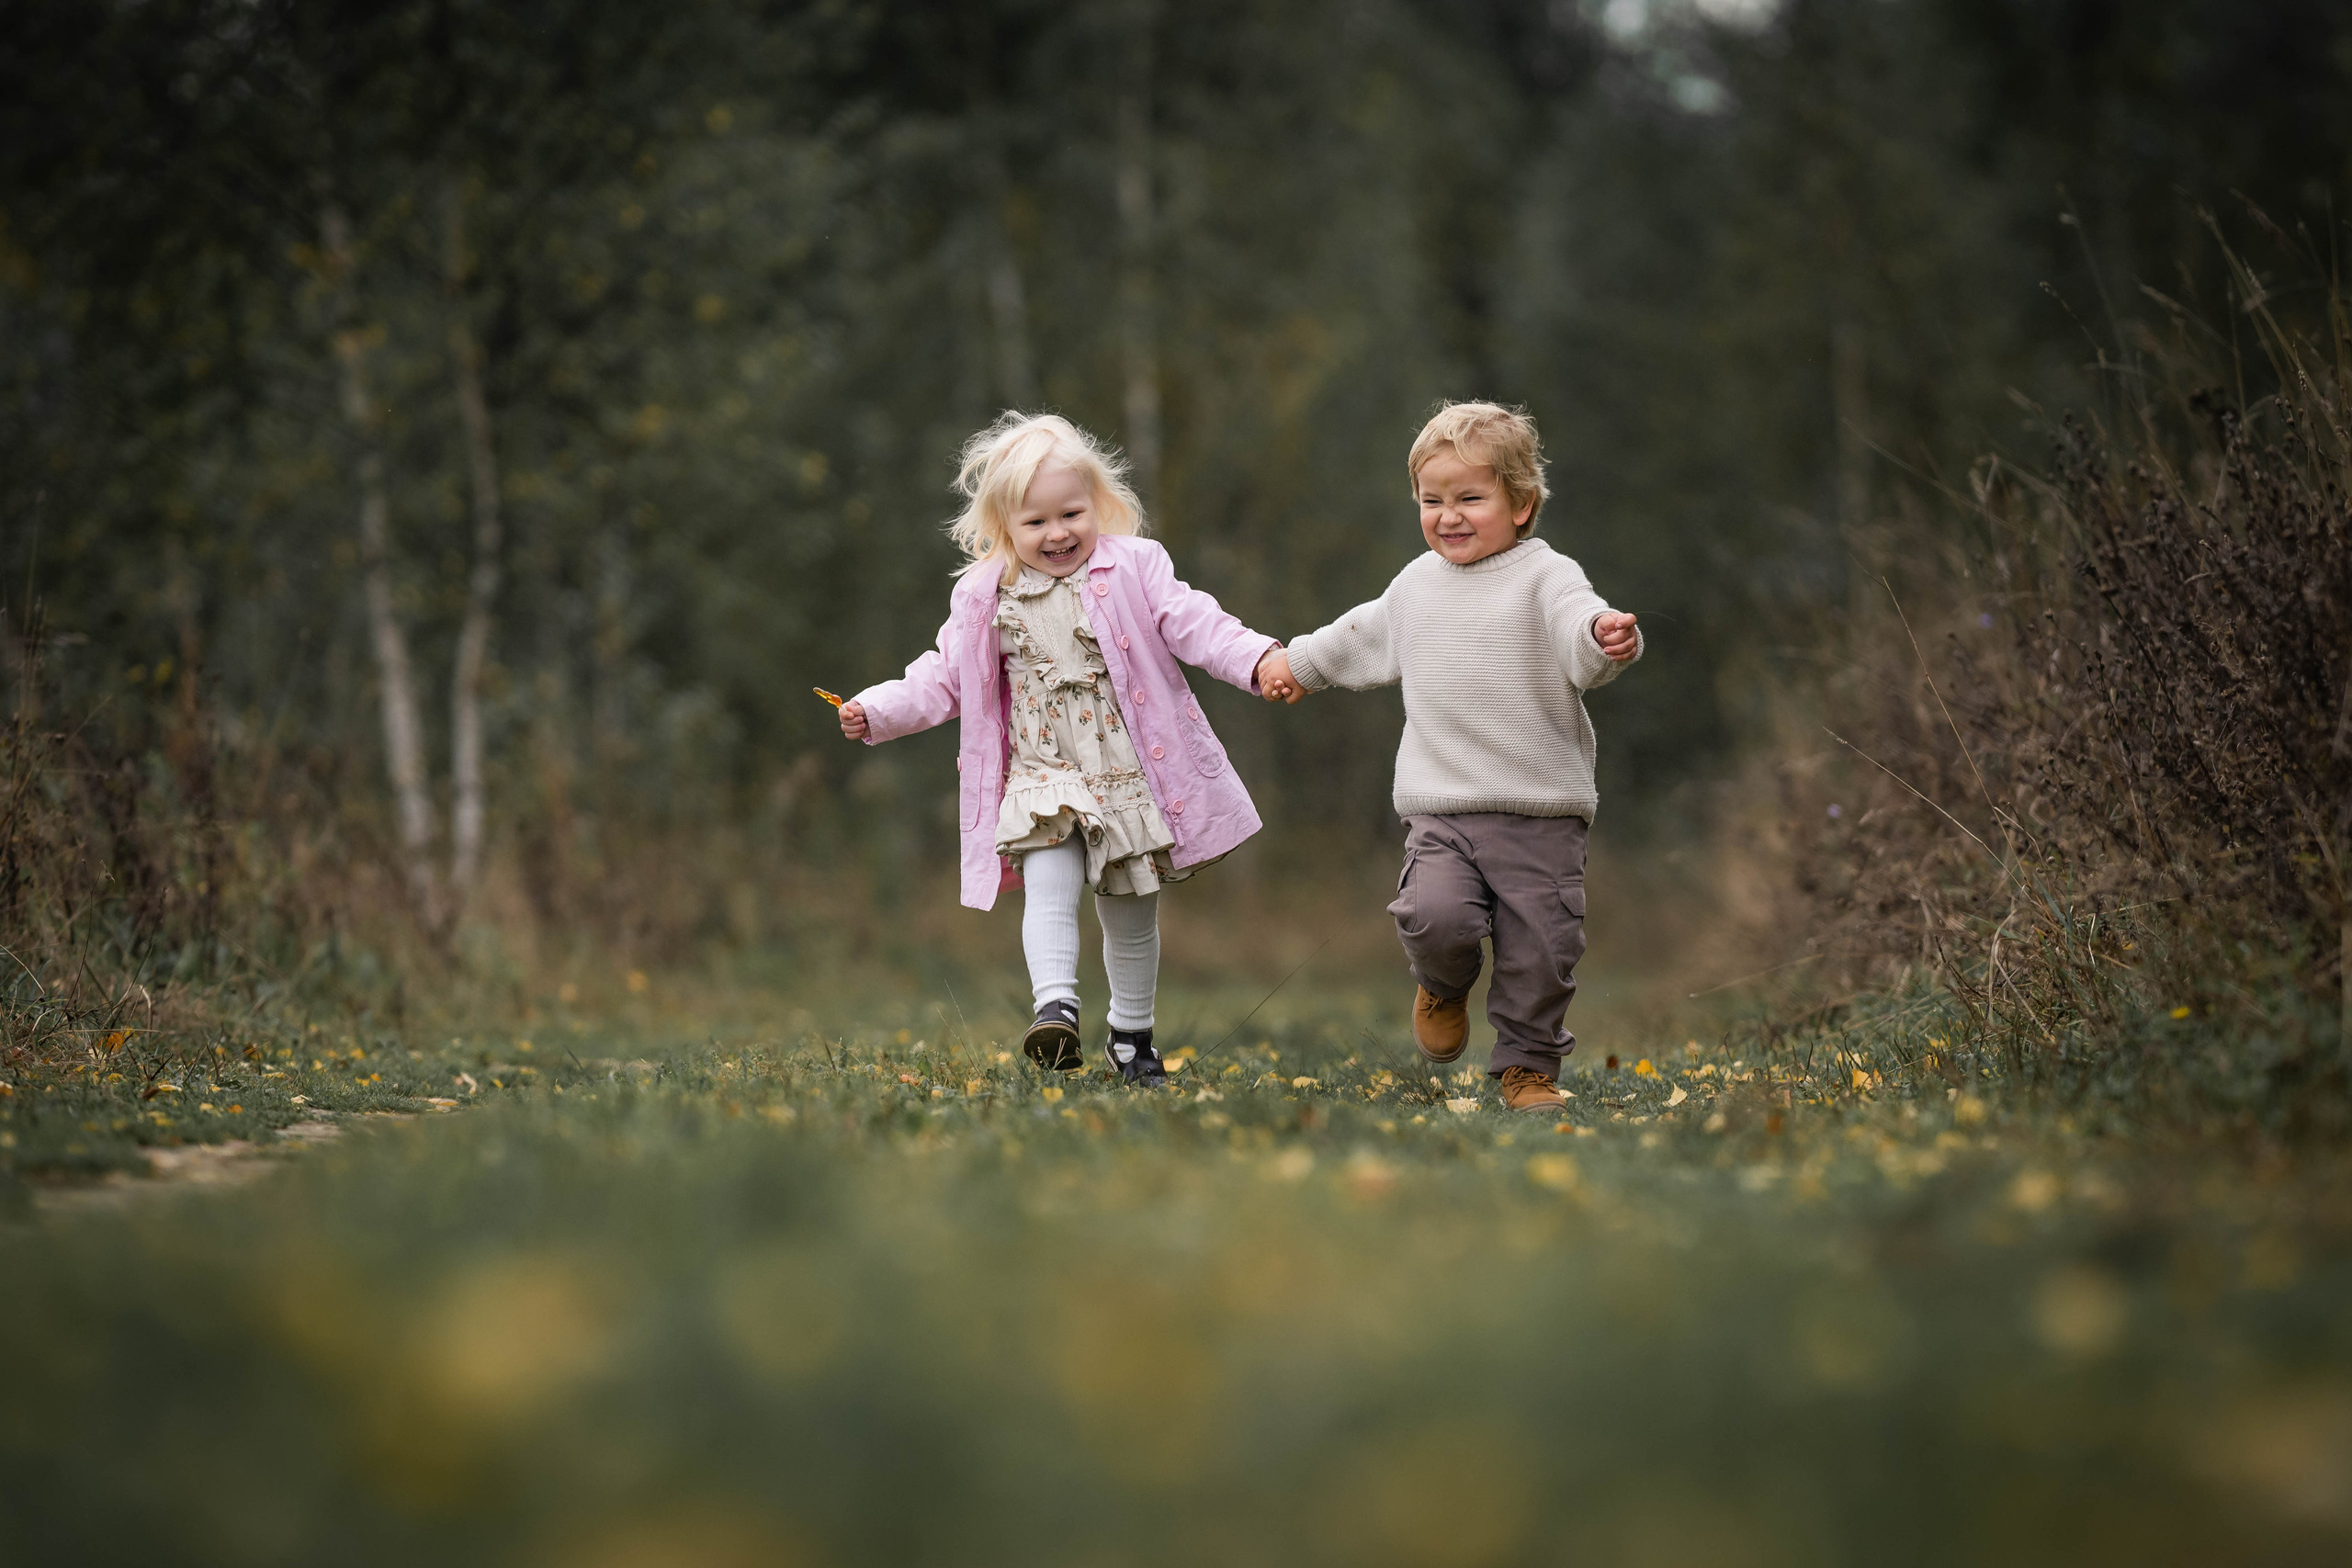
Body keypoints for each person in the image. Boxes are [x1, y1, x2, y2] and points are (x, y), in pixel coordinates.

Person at [840, 412, 1293, 1084]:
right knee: (1048, 886)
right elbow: (944, 674)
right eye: (1035, 522)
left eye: (1071, 514)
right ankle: (1056, 1009)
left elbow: (1197, 622)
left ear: (1096, 504)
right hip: (1042, 771)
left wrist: (1257, 658)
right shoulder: (983, 595)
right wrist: (878, 708)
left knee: (1130, 909)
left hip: (1126, 773)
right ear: (1003, 527)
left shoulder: (1135, 567)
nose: (1057, 534)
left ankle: (1132, 1038)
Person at [1256, 401, 1641, 1112]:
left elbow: (1577, 624)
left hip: (1542, 812)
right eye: (1432, 500)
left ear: (1521, 505)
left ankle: (1528, 1067)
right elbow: (1359, 632)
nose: (1448, 515)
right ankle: (1442, 982)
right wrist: (1296, 661)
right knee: (1434, 915)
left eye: (1470, 497)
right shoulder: (1417, 584)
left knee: (1541, 952)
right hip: (1442, 807)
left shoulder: (1544, 575)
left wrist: (1604, 635)